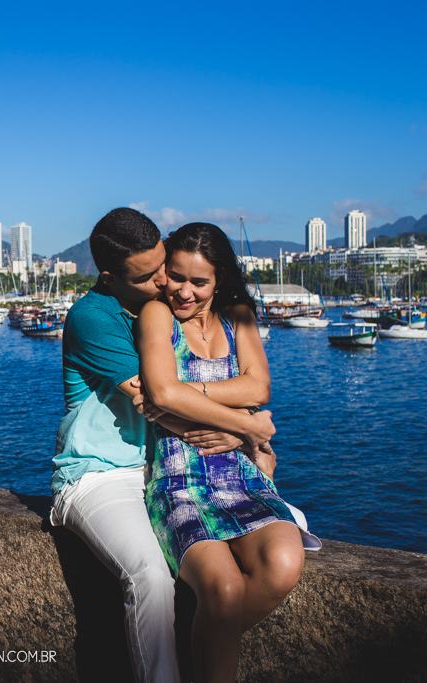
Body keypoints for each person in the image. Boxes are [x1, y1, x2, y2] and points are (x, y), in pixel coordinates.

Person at [50, 209, 277, 683]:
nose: (164, 282)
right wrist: (246, 429)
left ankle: (202, 643)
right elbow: (162, 402)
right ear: (111, 278)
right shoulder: (95, 317)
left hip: (157, 470)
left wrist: (246, 421)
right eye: (151, 275)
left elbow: (225, 386)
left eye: (164, 267)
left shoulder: (164, 307)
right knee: (152, 575)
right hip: (99, 475)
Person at [135, 222, 321, 683]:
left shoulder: (239, 314)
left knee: (283, 564)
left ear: (220, 281)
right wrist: (239, 419)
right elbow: (160, 390)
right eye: (176, 276)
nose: (184, 291)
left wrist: (188, 393)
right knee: (223, 587)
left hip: (241, 473)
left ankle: (195, 644)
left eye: (199, 282)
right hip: (179, 479)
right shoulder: (156, 315)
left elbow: (259, 386)